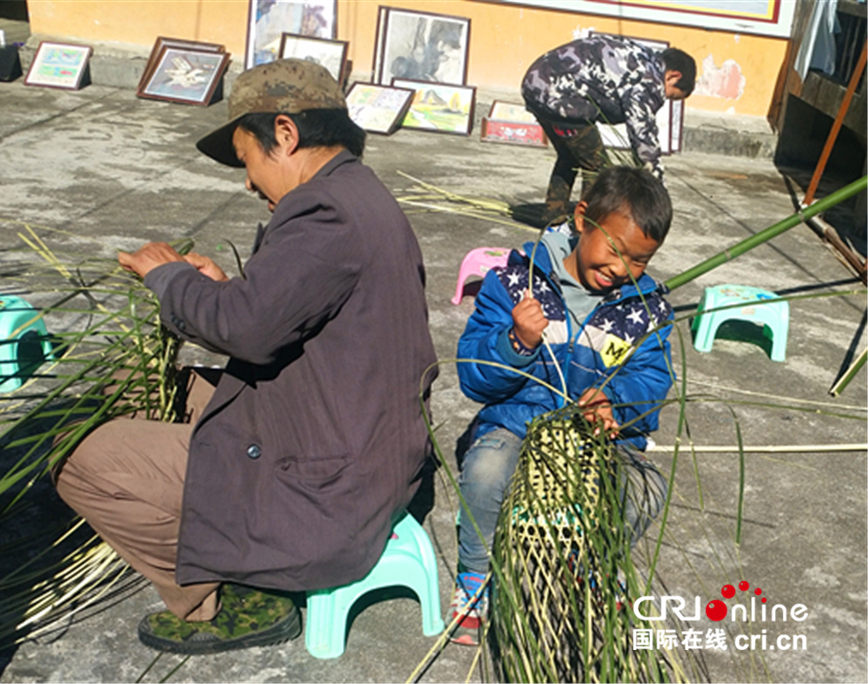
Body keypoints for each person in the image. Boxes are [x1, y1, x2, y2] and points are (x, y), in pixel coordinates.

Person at [54, 58, 438, 655]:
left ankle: (225, 595)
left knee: (79, 458)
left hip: (328, 494)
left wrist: (171, 281)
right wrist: (225, 288)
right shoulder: (358, 195)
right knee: (144, 385)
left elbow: (250, 332)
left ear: (285, 135)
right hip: (358, 445)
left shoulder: (324, 212)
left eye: (248, 159)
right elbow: (294, 311)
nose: (249, 182)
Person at [449, 166, 674, 645]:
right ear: (581, 218)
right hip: (517, 423)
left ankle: (595, 566)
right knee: (487, 472)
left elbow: (653, 379)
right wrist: (514, 341)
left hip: (599, 437)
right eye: (614, 249)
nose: (621, 269)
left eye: (639, 261)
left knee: (645, 488)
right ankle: (475, 576)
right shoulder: (515, 282)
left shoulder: (645, 308)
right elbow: (472, 373)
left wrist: (616, 400)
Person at [521, 33, 697, 225]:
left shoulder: (640, 55)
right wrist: (658, 188)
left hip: (535, 85)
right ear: (673, 75)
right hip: (560, 99)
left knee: (570, 156)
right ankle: (587, 226)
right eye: (671, 95)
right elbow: (643, 134)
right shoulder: (651, 80)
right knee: (598, 168)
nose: (665, 100)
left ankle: (553, 217)